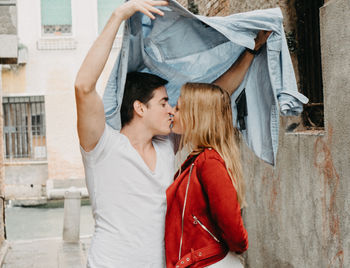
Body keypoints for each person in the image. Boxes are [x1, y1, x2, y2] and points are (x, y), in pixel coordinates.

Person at [74, 0, 270, 266]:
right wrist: (119, 15)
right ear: (140, 108)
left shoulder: (166, 144)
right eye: (164, 103)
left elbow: (216, 96)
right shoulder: (102, 146)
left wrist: (251, 53)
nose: (172, 110)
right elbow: (84, 86)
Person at [165, 83, 248, 268]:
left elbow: (234, 231)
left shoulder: (208, 162)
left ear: (195, 116)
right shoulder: (198, 161)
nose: (172, 112)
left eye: (178, 108)